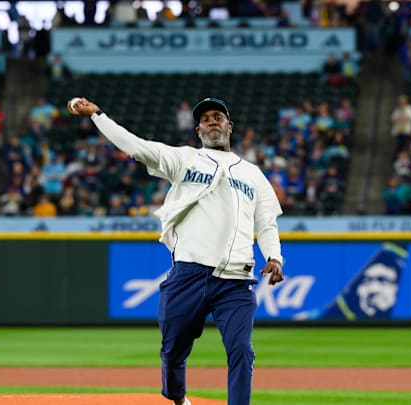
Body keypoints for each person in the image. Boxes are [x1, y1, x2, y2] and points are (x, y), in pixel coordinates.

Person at [68, 96, 285, 405]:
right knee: (173, 349)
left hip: (237, 279)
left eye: (218, 116)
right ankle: (177, 396)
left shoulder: (253, 175)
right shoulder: (184, 159)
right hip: (189, 273)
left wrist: (274, 256)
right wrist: (98, 116)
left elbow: (266, 223)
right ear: (198, 130)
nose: (212, 121)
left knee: (242, 350)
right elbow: (135, 145)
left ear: (229, 126)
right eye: (206, 118)